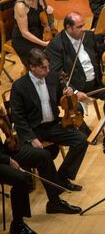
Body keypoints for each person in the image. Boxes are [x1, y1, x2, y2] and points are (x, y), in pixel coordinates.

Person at [45, 12, 105, 151]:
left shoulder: (88, 36)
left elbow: (99, 52)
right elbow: (55, 75)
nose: (83, 29)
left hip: (95, 82)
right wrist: (74, 91)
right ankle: (84, 133)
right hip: (74, 87)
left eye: (83, 25)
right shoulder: (57, 45)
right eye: (79, 27)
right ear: (69, 27)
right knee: (76, 108)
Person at [10, 48, 88, 192]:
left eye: (48, 66)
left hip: (52, 126)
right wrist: (32, 138)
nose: (47, 70)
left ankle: (62, 178)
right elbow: (17, 116)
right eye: (43, 67)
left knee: (81, 140)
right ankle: (52, 187)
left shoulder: (52, 78)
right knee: (43, 155)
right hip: (33, 129)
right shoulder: (19, 86)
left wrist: (69, 94)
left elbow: (60, 99)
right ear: (31, 67)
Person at [0, 133, 81, 234]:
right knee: (20, 178)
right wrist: (8, 160)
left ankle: (54, 202)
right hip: (2, 159)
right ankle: (17, 225)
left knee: (44, 155)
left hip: (5, 151)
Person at [12, 0, 52, 65]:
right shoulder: (20, 6)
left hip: (39, 34)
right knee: (43, 61)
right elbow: (25, 33)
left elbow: (43, 17)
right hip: (24, 41)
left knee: (58, 50)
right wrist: (44, 44)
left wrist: (48, 10)